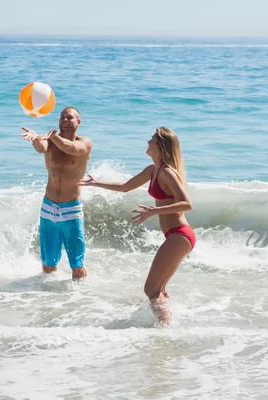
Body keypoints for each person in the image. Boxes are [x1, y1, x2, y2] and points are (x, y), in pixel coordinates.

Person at [80, 127, 195, 324]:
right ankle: (168, 327)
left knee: (151, 290)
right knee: (159, 289)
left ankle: (164, 331)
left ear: (159, 146)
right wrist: (97, 183)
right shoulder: (152, 170)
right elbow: (125, 187)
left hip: (180, 235)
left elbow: (187, 204)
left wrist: (154, 211)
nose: (147, 142)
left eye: (151, 140)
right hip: (175, 236)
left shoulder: (167, 172)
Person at [20, 107, 92, 280]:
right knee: (48, 262)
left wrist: (52, 137)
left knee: (77, 263)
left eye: (69, 117)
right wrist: (36, 138)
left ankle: (81, 296)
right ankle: (48, 297)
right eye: (62, 117)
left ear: (78, 122)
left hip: (71, 210)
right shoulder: (50, 140)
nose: (65, 120)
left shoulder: (85, 143)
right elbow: (41, 147)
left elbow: (71, 149)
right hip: (48, 207)